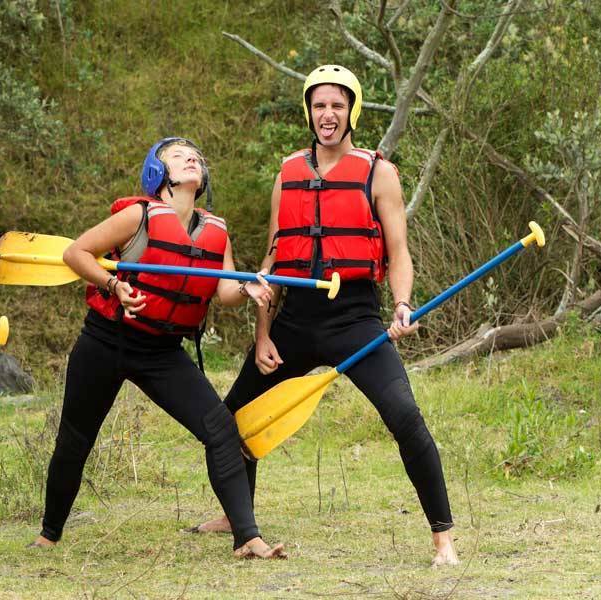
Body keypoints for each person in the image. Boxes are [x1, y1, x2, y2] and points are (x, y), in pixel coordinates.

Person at [192, 65, 460, 567]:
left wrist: (402, 304)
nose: (328, 115)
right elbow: (273, 262)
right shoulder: (288, 171)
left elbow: (399, 252)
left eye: (337, 105)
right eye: (319, 106)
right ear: (309, 112)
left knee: (403, 415)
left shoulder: (378, 172)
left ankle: (442, 534)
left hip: (355, 317)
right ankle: (237, 512)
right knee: (231, 421)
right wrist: (263, 334)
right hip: (294, 319)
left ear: (352, 111)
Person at [31, 137, 285, 558]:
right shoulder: (139, 215)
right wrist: (114, 284)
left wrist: (249, 289)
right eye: (178, 155)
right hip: (105, 340)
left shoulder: (215, 231)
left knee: (221, 429)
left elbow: (223, 292)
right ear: (157, 172)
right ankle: (49, 533)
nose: (191, 159)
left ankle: (247, 538)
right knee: (76, 439)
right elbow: (76, 253)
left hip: (161, 351)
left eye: (196, 157)